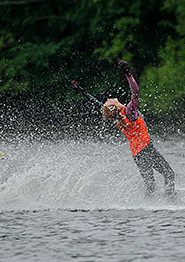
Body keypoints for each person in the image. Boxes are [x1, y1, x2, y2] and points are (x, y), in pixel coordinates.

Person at [72, 61, 176, 200]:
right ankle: (171, 201)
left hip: (137, 154)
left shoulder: (116, 118)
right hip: (147, 149)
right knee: (169, 174)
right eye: (110, 100)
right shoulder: (129, 112)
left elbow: (95, 102)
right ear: (114, 105)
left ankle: (148, 207)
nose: (109, 98)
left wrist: (81, 91)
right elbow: (136, 92)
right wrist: (127, 73)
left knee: (150, 185)